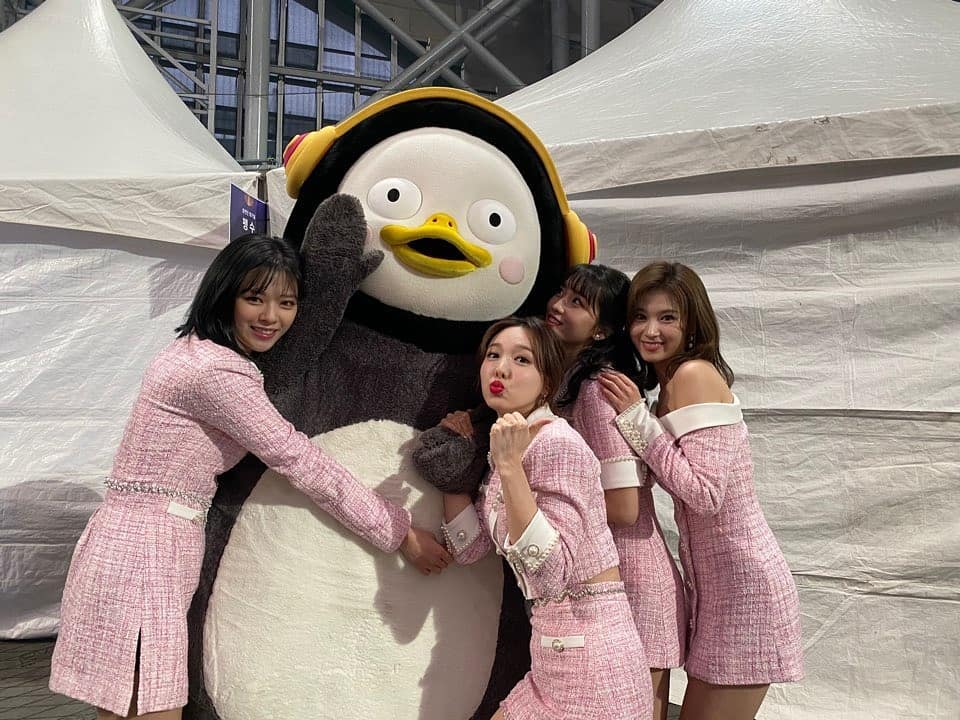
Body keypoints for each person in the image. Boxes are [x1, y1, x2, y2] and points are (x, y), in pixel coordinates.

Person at [49, 234, 451, 720]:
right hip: (146, 553)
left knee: (124, 707)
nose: (270, 316)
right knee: (151, 707)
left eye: (287, 303)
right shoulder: (217, 373)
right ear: (225, 295)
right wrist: (398, 530)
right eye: (255, 298)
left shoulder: (193, 352)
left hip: (131, 542)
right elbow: (300, 459)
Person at [434, 265, 687, 720]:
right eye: (493, 355)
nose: (501, 368)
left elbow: (552, 570)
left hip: (595, 651)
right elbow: (472, 548)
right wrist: (452, 469)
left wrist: (511, 469)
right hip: (554, 650)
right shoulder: (508, 446)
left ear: (549, 379)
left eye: (522, 360)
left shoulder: (560, 437)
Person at [599, 261, 804, 720]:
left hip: (746, 589)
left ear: (692, 323)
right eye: (640, 317)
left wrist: (636, 420)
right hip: (713, 590)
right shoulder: (667, 388)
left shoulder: (694, 374)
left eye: (667, 317)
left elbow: (705, 494)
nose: (650, 330)